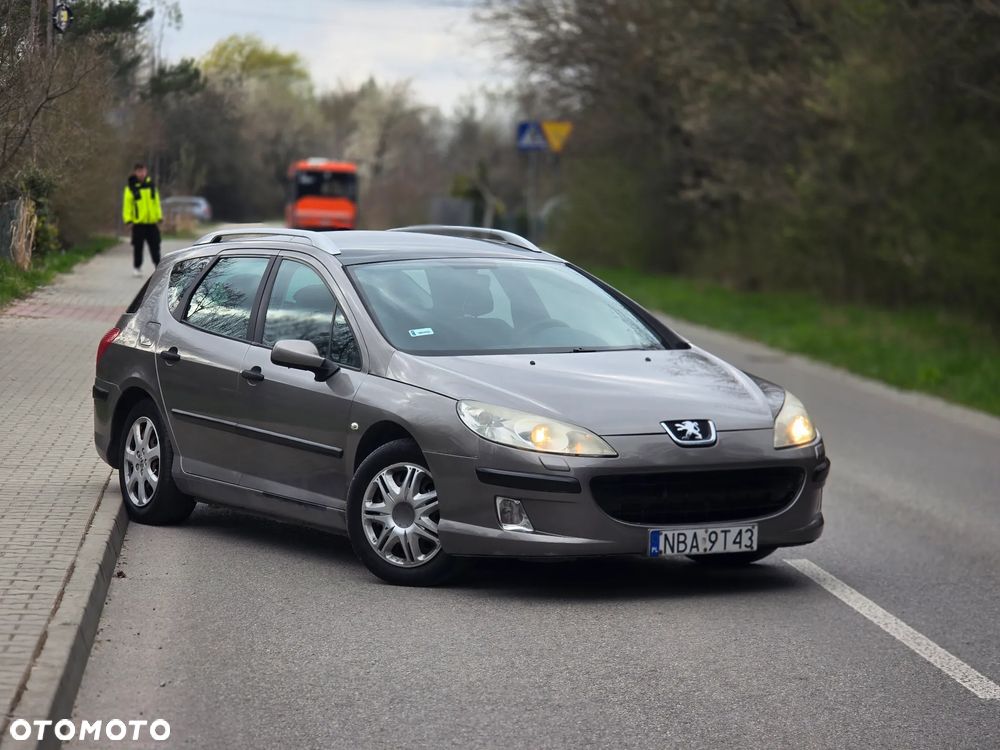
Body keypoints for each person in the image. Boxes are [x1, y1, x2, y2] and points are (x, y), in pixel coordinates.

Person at [122, 163, 162, 276]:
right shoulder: (131, 188)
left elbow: (156, 203)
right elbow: (127, 205)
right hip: (138, 223)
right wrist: (128, 220)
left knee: (155, 245)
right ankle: (137, 267)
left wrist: (159, 217)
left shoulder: (151, 186)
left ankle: (158, 267)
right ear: (135, 172)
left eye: (143, 171)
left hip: (151, 222)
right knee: (138, 246)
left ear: (146, 171)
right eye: (139, 171)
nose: (142, 173)